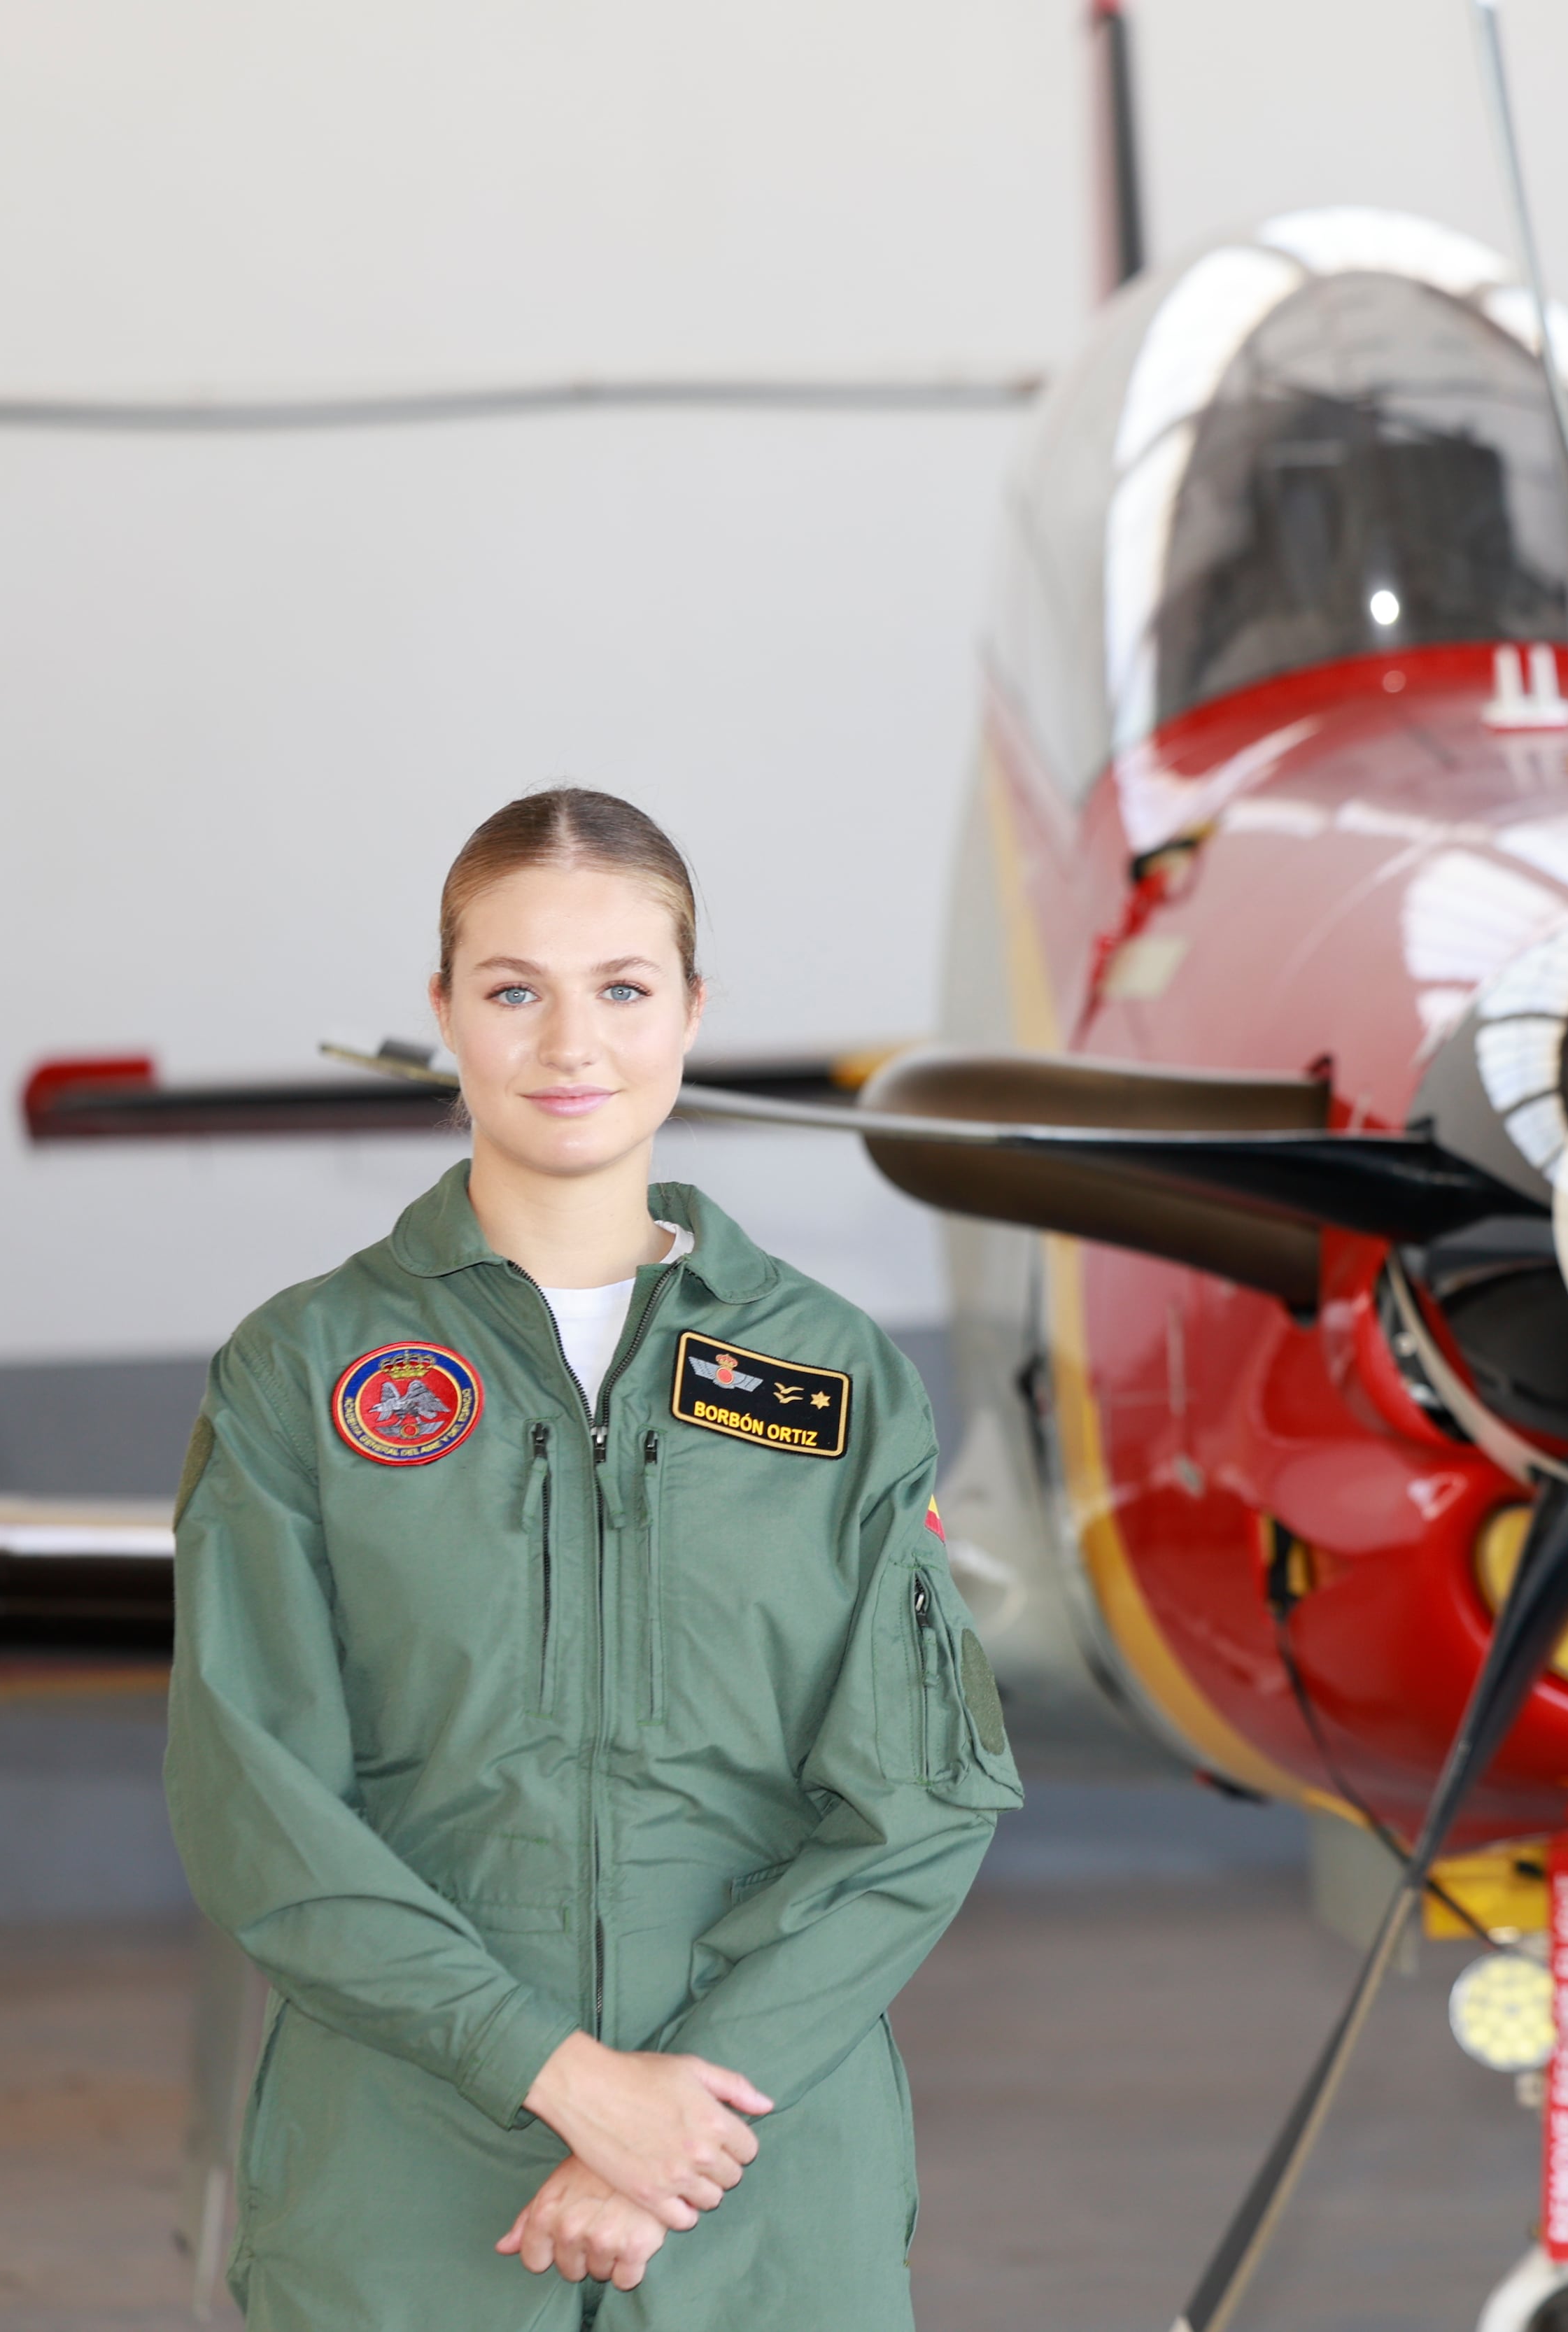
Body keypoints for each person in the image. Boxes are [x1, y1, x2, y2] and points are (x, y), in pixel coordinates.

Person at [166, 788, 1019, 2329]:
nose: (572, 1045)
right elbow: (258, 1802)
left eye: (623, 988)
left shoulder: (828, 1378)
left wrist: (672, 2126)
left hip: (758, 2160)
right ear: (443, 1012)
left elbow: (919, 1798)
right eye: (514, 991)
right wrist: (561, 2078)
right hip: (409, 2162)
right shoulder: (304, 1369)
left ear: (692, 1012)